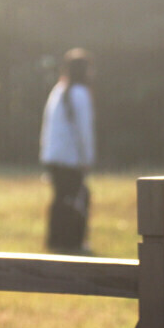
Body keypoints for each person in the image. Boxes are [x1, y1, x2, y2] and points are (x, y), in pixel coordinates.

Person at [39, 48, 96, 253]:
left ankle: (56, 241)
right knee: (76, 199)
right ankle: (74, 242)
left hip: (53, 156)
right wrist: (87, 158)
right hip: (70, 158)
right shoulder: (80, 93)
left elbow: (47, 126)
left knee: (61, 199)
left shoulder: (59, 90)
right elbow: (84, 131)